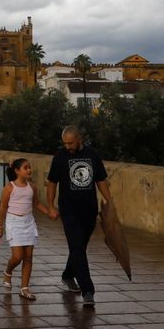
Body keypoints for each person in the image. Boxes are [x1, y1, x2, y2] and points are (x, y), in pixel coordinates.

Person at [45, 126, 112, 306]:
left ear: (79, 138)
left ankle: (68, 275)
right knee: (77, 246)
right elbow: (51, 183)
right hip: (69, 210)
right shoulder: (60, 157)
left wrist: (109, 202)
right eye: (65, 143)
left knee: (79, 247)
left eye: (71, 143)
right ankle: (88, 290)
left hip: (89, 209)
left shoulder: (93, 155)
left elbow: (100, 180)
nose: (68, 146)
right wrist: (51, 206)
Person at [0, 158, 53, 299]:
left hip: (29, 222)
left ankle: (24, 288)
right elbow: (2, 207)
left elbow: (37, 204)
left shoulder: (32, 187)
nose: (29, 170)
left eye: (29, 167)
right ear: (16, 171)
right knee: (18, 256)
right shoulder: (9, 188)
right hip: (14, 222)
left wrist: (49, 212)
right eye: (25, 167)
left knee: (28, 257)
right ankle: (8, 272)